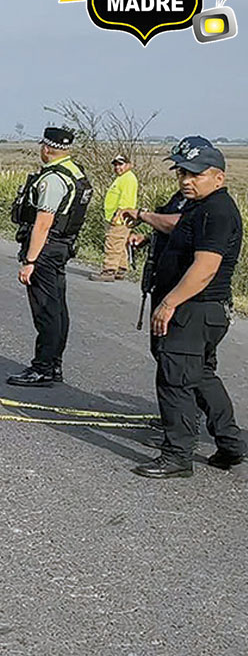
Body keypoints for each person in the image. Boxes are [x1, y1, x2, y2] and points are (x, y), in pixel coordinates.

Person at [124, 140, 243, 479]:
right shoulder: (199, 206)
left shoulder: (217, 211)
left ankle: (177, 455)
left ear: (218, 177)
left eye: (195, 174)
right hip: (201, 310)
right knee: (200, 376)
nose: (186, 180)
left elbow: (205, 267)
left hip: (194, 308)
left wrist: (169, 303)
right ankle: (230, 443)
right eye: (182, 173)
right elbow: (179, 233)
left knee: (175, 380)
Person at [6, 126, 93, 387]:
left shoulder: (53, 179)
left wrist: (30, 261)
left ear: (46, 148)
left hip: (46, 248)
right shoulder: (75, 172)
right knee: (57, 308)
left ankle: (42, 367)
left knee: (45, 310)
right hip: (61, 247)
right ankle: (53, 364)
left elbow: (43, 223)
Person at [91, 154, 139, 281]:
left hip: (120, 218)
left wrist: (118, 215)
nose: (117, 167)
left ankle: (109, 271)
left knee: (112, 243)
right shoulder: (122, 178)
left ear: (129, 165)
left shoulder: (128, 178)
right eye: (116, 165)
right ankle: (120, 269)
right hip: (117, 217)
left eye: (121, 164)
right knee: (120, 244)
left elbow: (126, 200)